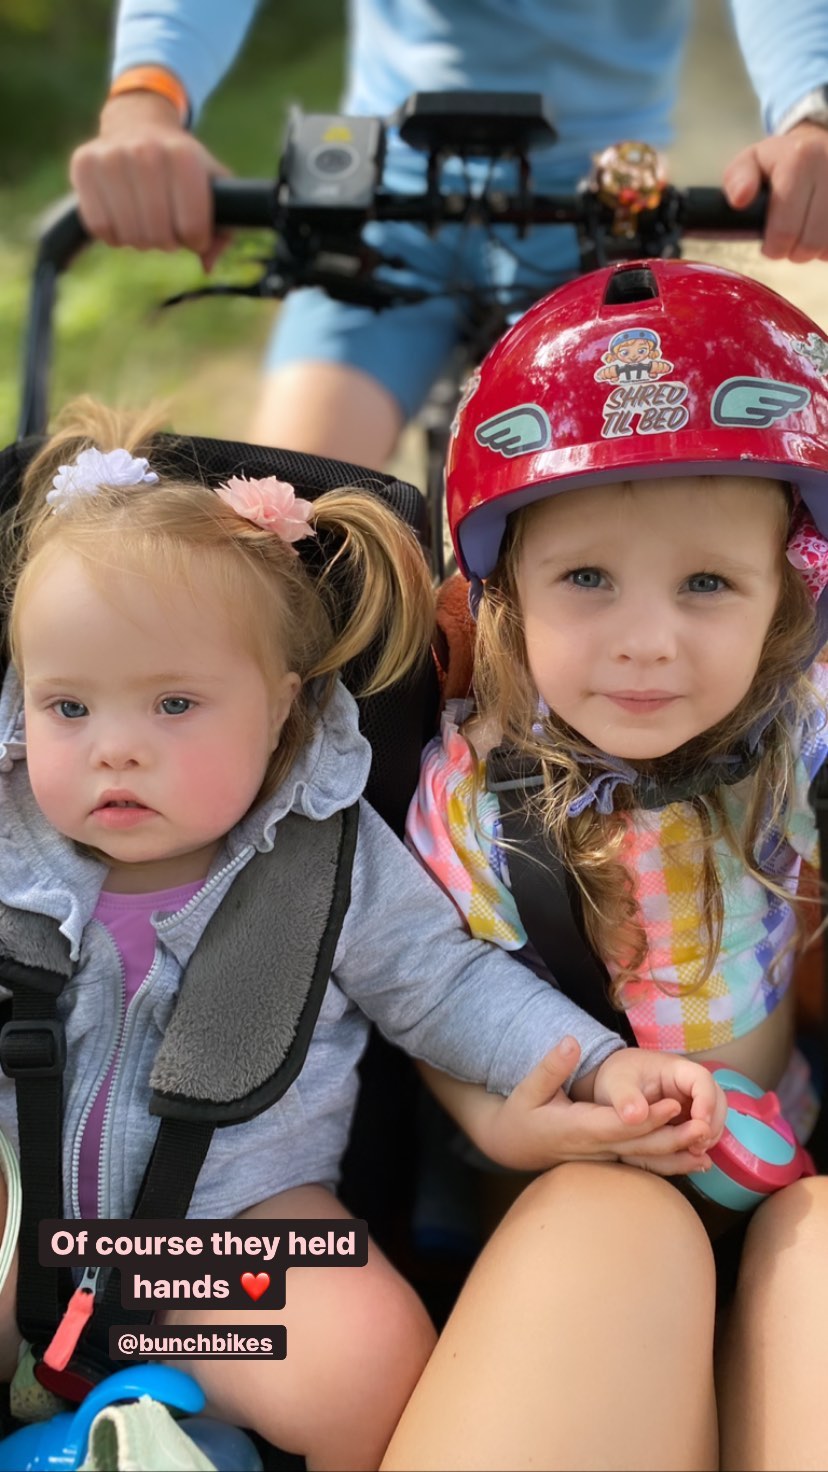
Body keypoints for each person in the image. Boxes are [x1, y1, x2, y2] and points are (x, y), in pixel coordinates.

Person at [0, 398, 727, 1469]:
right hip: (23, 1215)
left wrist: (600, 1067)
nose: (117, 751)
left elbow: (446, 986)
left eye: (173, 706)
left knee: (377, 1364)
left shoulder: (326, 855)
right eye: (70, 708)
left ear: (282, 705)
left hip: (222, 1236)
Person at [384, 258, 828, 1470]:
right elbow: (434, 998)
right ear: (508, 590)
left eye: (706, 584)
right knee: (611, 1228)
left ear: (784, 602)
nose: (647, 640)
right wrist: (516, 1129)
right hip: (576, 1167)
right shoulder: (474, 795)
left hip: (783, 1152)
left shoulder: (793, 734)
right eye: (587, 577)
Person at [69, 1, 828, 466]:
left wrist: (810, 111)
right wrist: (147, 97)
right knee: (284, 534)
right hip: (386, 210)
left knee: (639, 545)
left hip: (599, 211)